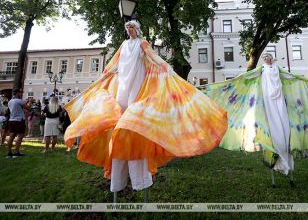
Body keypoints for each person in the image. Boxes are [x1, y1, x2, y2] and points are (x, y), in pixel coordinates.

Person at [63, 20, 227, 192]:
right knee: (120, 118)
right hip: (123, 84)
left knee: (134, 120)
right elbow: (114, 63)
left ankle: (139, 179)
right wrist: (105, 75)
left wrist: (165, 66)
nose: (129, 30)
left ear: (137, 29)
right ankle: (120, 177)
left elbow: (152, 56)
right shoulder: (124, 45)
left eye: (131, 27)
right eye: (127, 28)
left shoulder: (142, 43)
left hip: (137, 84)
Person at [199, 51, 308, 176]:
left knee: (284, 130)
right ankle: (277, 161)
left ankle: (285, 161)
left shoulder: (278, 70)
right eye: (264, 58)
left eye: (268, 57)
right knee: (273, 132)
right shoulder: (259, 71)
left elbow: (294, 78)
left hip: (279, 103)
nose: (266, 59)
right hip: (265, 104)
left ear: (272, 59)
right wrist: (213, 87)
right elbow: (242, 78)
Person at [6, 89, 32, 158]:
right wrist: (30, 102)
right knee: (20, 136)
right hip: (19, 120)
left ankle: (9, 153)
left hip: (11, 120)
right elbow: (28, 108)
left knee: (11, 136)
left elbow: (18, 108)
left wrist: (25, 103)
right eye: (21, 93)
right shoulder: (19, 101)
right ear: (17, 93)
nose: (21, 94)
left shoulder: (10, 101)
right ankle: (16, 152)